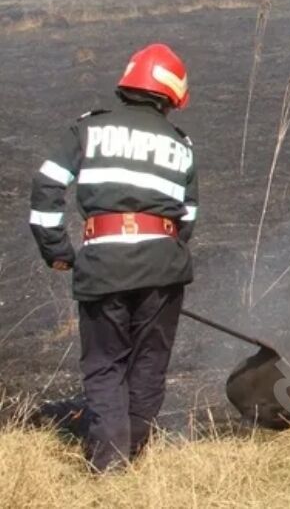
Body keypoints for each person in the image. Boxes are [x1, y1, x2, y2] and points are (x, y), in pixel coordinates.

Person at [29, 43, 199, 472]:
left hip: (103, 265)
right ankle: (135, 450)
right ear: (171, 95)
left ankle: (110, 465)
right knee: (149, 363)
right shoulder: (181, 146)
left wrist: (58, 251)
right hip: (164, 266)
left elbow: (47, 186)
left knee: (106, 365)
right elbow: (188, 217)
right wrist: (164, 258)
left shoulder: (88, 130)